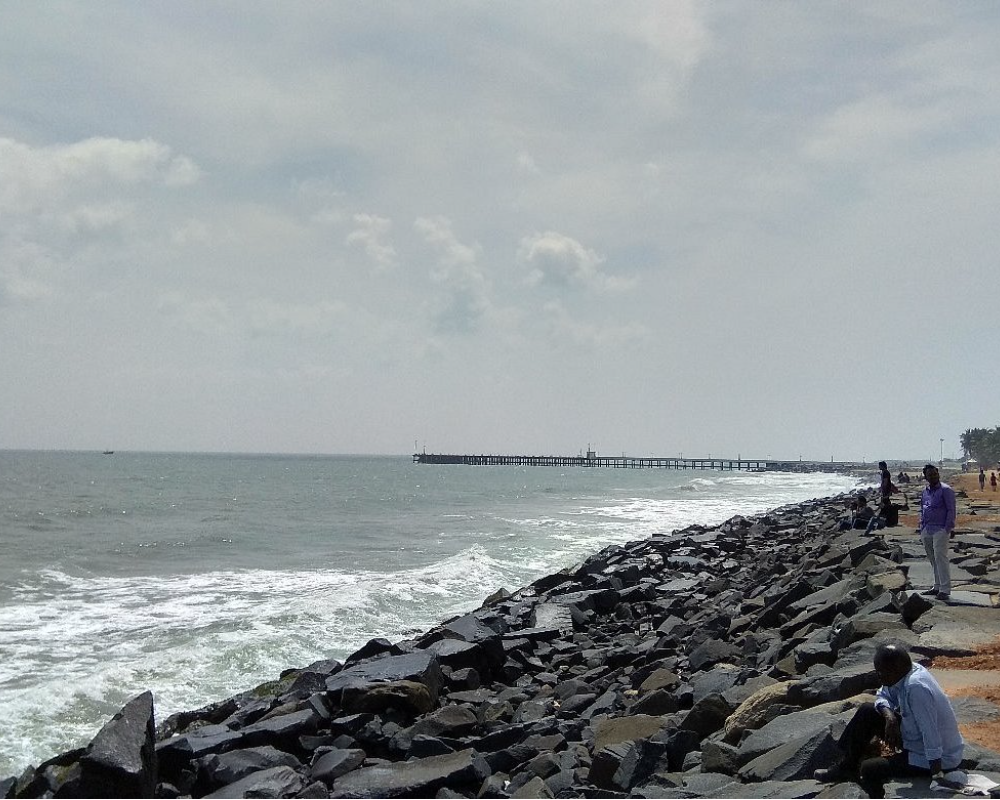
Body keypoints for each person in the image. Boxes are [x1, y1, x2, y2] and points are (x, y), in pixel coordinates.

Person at [814, 644, 964, 800]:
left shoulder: (916, 688)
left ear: (895, 670)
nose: (878, 677)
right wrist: (890, 718)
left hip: (936, 758)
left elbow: (930, 733)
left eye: (880, 672)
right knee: (867, 711)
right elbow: (883, 695)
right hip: (914, 737)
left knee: (869, 768)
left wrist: (937, 775)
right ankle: (847, 767)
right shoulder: (905, 672)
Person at [919, 464, 956, 600]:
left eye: (935, 474)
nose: (934, 476)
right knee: (933, 559)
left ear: (938, 474)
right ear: (926, 477)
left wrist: (947, 528)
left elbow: (951, 510)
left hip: (940, 529)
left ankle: (945, 589)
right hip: (927, 529)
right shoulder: (925, 491)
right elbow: (922, 508)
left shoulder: (946, 490)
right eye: (930, 475)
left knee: (941, 558)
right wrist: (921, 525)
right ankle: (937, 586)